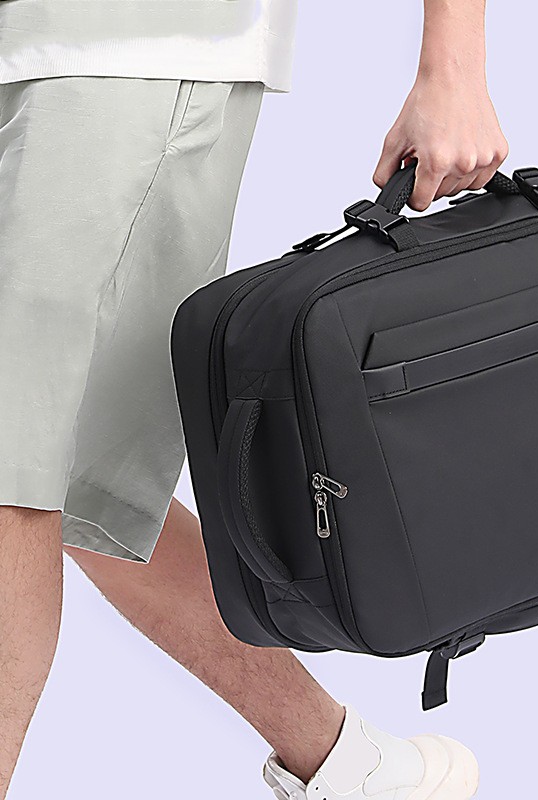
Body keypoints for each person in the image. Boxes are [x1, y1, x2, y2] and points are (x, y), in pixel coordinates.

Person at [0, 1, 508, 797]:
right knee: (70, 480)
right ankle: (351, 764)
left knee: (16, 471)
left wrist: (455, 67)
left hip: (122, 44)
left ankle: (351, 764)